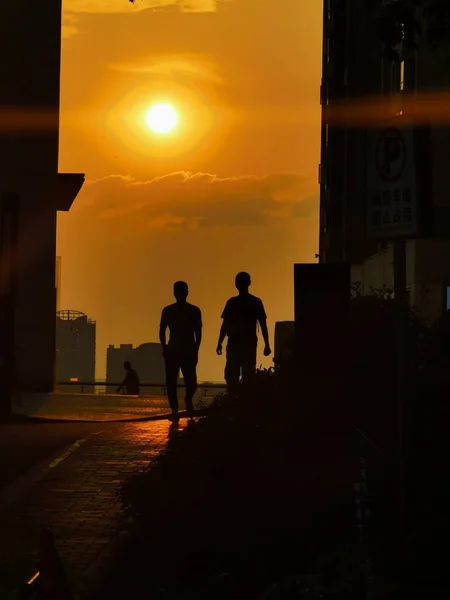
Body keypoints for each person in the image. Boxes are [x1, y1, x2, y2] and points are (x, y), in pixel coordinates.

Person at [216, 272, 271, 396]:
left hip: (243, 344)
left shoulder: (236, 302)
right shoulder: (252, 302)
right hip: (243, 344)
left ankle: (238, 401)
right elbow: (225, 325)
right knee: (238, 376)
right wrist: (219, 342)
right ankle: (240, 401)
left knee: (239, 376)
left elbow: (225, 325)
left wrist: (219, 342)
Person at [159, 281, 202, 422]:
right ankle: (174, 408)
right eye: (176, 291)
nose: (179, 294)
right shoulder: (168, 310)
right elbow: (162, 330)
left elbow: (198, 332)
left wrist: (196, 349)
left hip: (188, 350)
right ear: (174, 293)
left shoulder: (194, 310)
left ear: (187, 293)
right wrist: (164, 347)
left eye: (181, 291)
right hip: (172, 350)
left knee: (192, 381)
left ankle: (188, 399)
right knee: (171, 381)